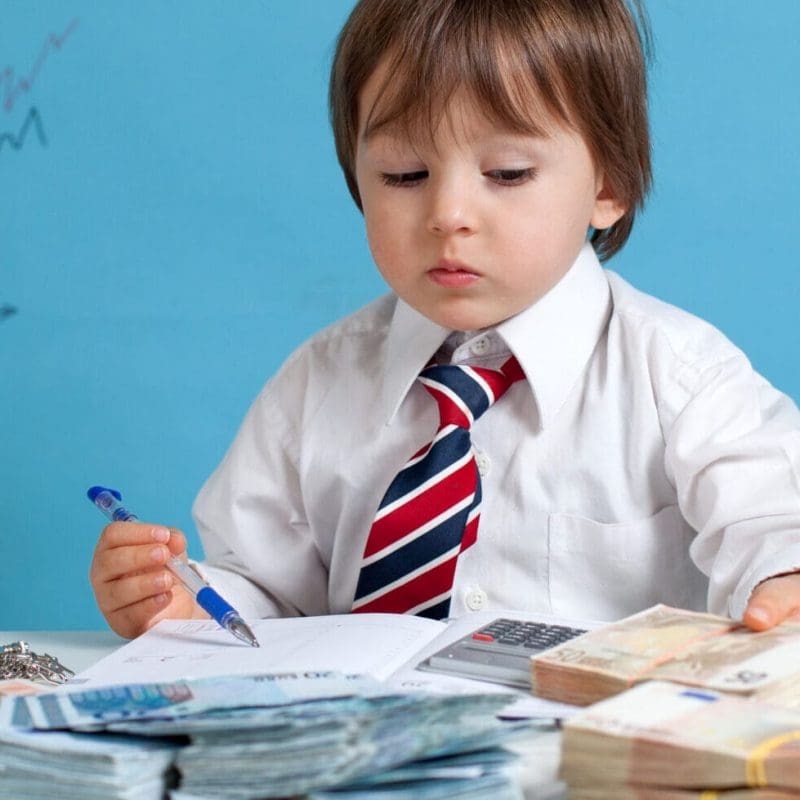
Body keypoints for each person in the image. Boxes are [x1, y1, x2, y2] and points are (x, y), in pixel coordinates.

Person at [90, 0, 800, 639]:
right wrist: (183, 603)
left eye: (509, 174)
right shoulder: (321, 382)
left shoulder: (676, 375)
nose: (448, 216)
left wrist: (783, 581)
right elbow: (265, 591)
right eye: (404, 175)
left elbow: (774, 522)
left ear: (607, 186)